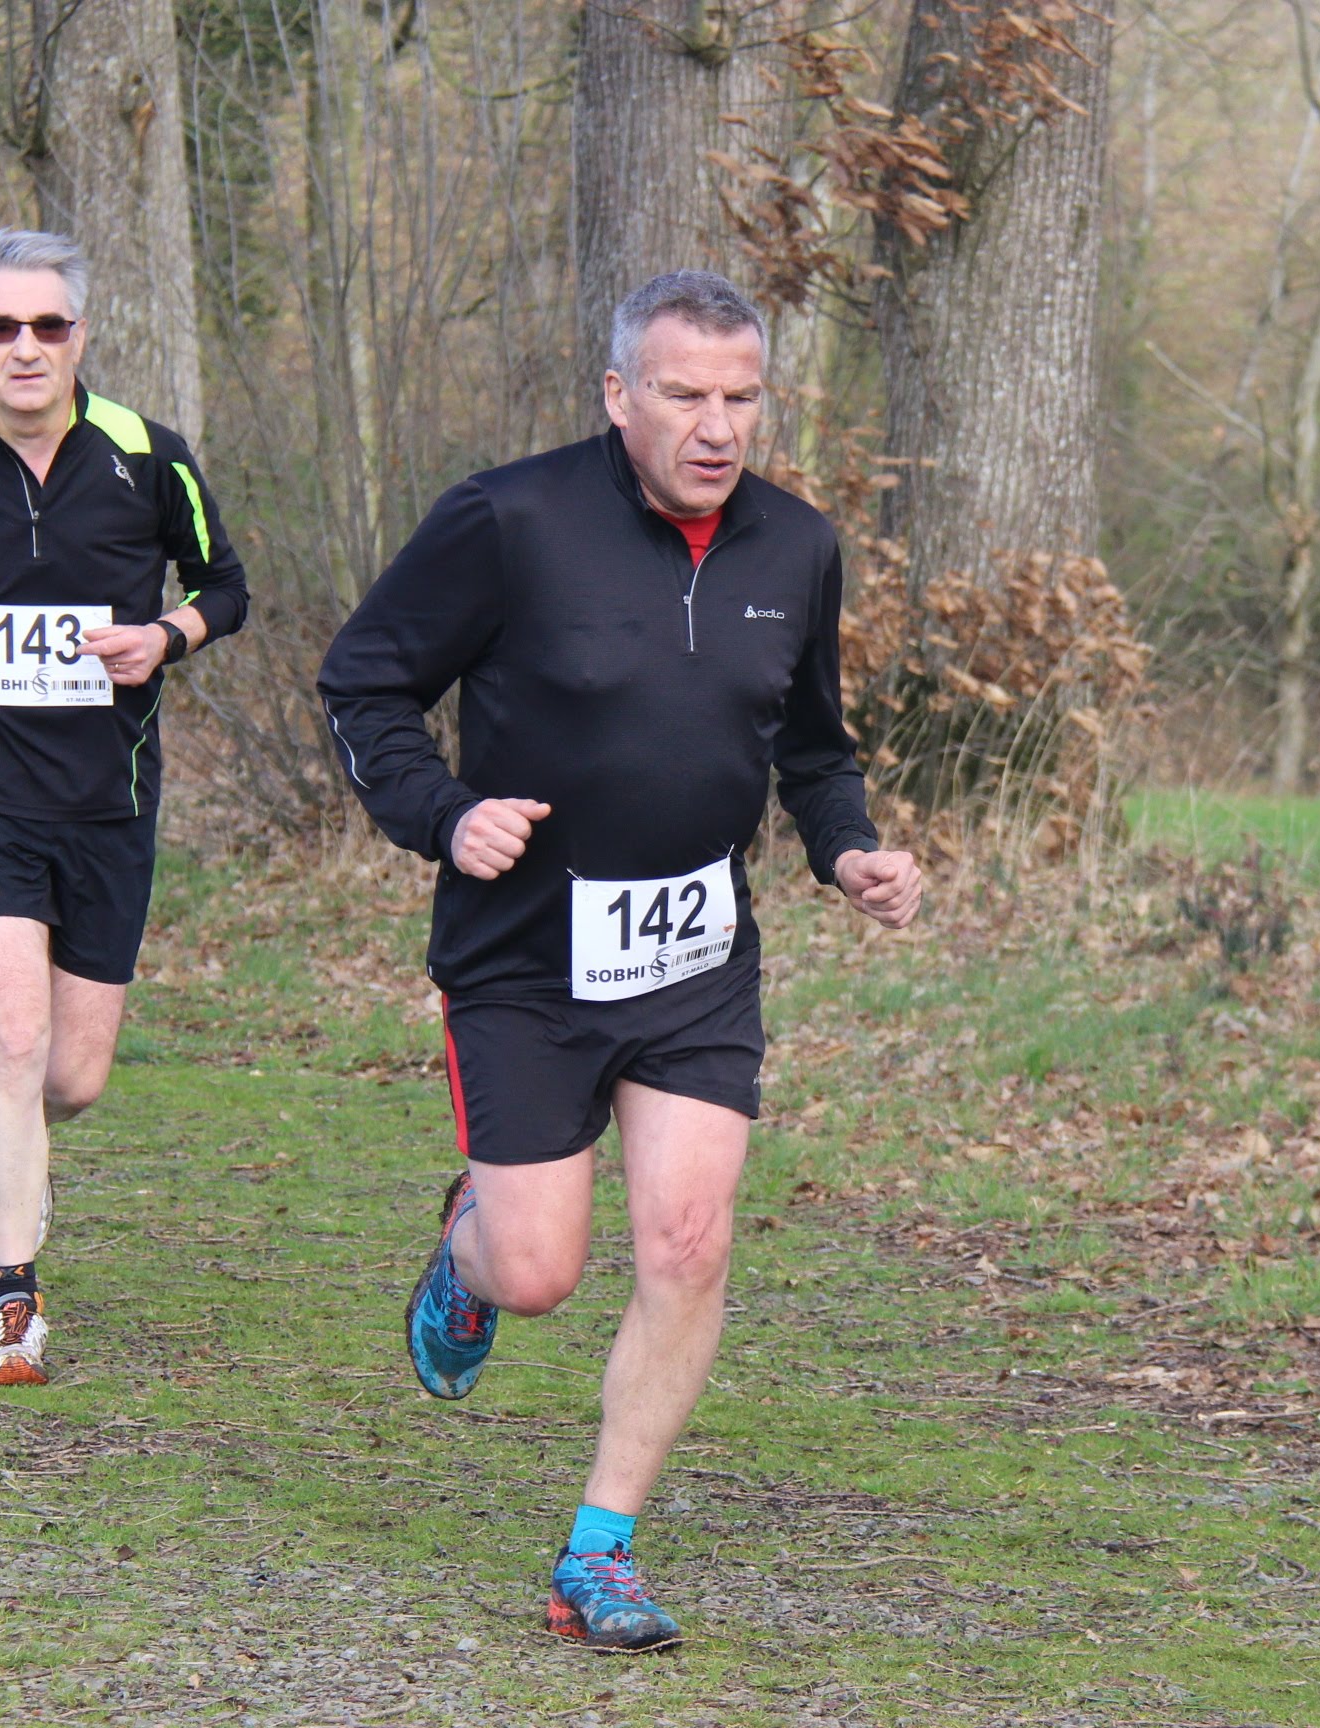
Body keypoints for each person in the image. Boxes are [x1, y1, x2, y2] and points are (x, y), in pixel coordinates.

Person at [319, 270, 921, 1651]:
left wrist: (848, 851)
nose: (717, 426)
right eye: (683, 393)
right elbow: (363, 684)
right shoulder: (509, 521)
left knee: (689, 1241)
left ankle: (600, 1551)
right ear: (617, 394)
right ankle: (470, 1257)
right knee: (540, 1270)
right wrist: (443, 813)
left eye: (742, 397)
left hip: (696, 959)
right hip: (527, 957)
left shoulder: (797, 547)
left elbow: (813, 749)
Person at [0, 228, 249, 1388]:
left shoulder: (148, 457)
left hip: (109, 803)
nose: (24, 347)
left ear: (80, 334)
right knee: (12, 1036)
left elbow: (225, 585)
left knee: (70, 1078)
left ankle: (16, 1146)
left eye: (47, 325)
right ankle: (14, 1304)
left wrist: (167, 636)